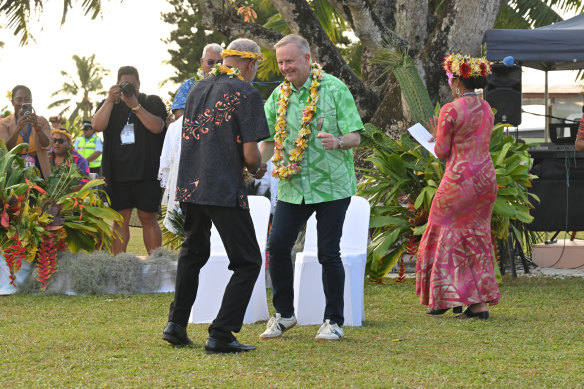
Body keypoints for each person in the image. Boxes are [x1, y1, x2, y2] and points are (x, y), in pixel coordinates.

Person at [162, 38, 269, 354]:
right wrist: (258, 168)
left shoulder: (197, 88)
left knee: (193, 252)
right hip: (222, 186)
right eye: (257, 66)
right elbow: (251, 156)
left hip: (192, 185)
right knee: (248, 260)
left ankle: (176, 325)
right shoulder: (246, 92)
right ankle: (221, 332)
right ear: (249, 64)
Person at [258, 34, 363, 341]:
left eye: (289, 61)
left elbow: (356, 135)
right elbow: (266, 140)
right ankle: (285, 314)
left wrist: (339, 141)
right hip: (293, 186)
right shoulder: (278, 95)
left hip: (331, 186)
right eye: (280, 62)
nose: (285, 67)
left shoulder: (333, 88)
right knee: (277, 247)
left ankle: (333, 320)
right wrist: (254, 164)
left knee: (328, 252)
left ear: (307, 58)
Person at [416, 53, 501, 320]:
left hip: (459, 180)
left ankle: (443, 299)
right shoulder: (486, 108)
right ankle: (478, 305)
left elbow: (441, 151)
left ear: (456, 84)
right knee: (475, 237)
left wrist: (433, 138)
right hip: (485, 179)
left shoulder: (450, 109)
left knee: (442, 230)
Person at [92, 66, 167, 255]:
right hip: (117, 173)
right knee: (120, 218)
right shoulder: (108, 103)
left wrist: (135, 105)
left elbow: (158, 127)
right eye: (123, 84)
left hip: (147, 172)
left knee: (148, 217)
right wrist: (110, 99)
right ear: (116, 84)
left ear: (139, 85)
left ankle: (155, 265)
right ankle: (120, 267)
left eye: (131, 85)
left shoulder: (151, 101)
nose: (127, 88)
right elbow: (96, 125)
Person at [0, 85, 52, 178]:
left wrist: (36, 126)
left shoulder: (41, 121)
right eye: (19, 100)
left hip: (38, 172)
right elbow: (5, 150)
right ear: (12, 102)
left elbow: (46, 145)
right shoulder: (4, 123)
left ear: (31, 101)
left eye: (27, 99)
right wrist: (17, 128)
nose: (23, 103)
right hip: (13, 174)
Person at [170, 43, 223, 120]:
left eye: (219, 62)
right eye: (210, 62)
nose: (215, 66)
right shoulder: (189, 85)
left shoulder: (230, 84)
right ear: (202, 62)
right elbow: (178, 114)